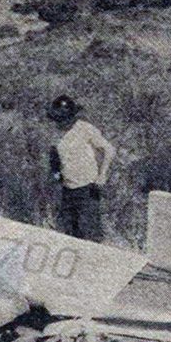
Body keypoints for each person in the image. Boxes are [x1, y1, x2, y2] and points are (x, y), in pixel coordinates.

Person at [47, 95, 115, 242]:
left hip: (87, 189)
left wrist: (102, 174)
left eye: (64, 118)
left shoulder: (85, 129)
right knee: (69, 236)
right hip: (67, 190)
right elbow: (54, 156)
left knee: (90, 235)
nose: (61, 122)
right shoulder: (56, 133)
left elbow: (108, 150)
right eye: (58, 119)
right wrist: (56, 173)